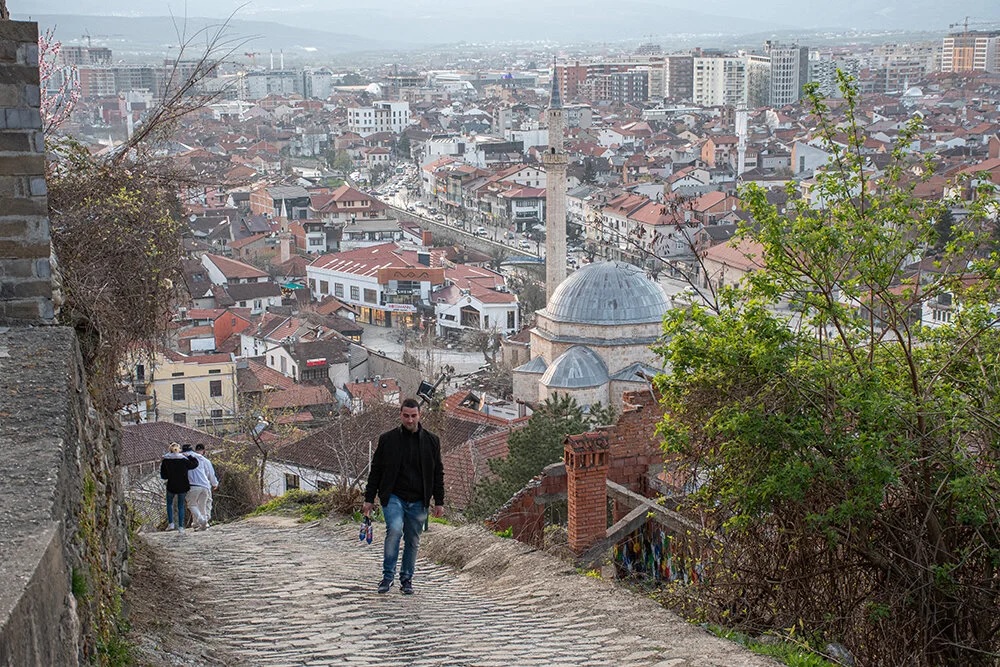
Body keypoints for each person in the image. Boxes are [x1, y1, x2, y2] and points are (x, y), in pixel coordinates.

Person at [363, 398, 444, 595]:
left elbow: (437, 473)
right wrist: (369, 498)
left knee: (413, 540)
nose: (409, 420)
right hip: (393, 497)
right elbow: (376, 471)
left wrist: (439, 501)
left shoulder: (432, 441)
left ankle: (406, 579)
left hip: (418, 500)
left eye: (413, 416)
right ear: (400, 415)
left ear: (419, 415)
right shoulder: (387, 440)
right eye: (406, 416)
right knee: (395, 530)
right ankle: (387, 576)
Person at [160, 442, 198, 534]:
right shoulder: (183, 459)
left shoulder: (166, 460)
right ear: (179, 449)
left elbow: (163, 476)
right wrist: (189, 456)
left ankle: (171, 523)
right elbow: (195, 464)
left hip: (171, 485)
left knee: (169, 503)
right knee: (181, 505)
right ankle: (181, 527)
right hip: (183, 485)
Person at [184, 443, 219, 531]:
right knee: (203, 506)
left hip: (194, 485)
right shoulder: (203, 459)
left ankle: (200, 521)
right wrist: (214, 483)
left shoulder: (183, 459)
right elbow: (210, 473)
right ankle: (203, 524)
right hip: (206, 485)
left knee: (192, 504)